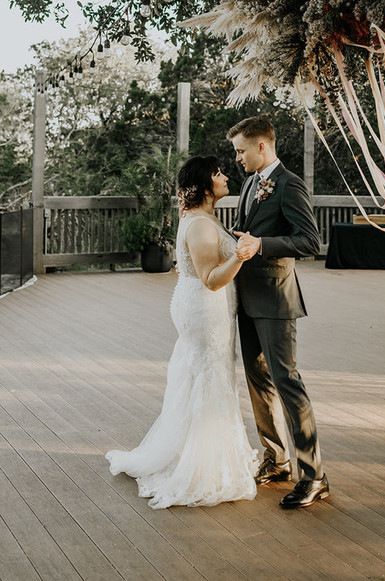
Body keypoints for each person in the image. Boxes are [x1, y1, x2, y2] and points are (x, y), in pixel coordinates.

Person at [106, 155, 257, 509]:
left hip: (198, 306)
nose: (224, 177)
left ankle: (204, 452)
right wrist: (241, 255)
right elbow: (211, 279)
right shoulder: (202, 226)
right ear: (205, 184)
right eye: (217, 173)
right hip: (205, 308)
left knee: (202, 374)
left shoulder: (202, 218)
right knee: (209, 375)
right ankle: (203, 466)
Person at [228, 115, 329, 509]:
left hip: (275, 298)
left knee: (287, 382)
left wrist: (262, 245)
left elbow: (309, 241)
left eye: (241, 151)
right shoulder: (250, 182)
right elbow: (245, 233)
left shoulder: (289, 184)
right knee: (258, 381)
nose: (238, 159)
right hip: (246, 297)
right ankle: (277, 458)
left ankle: (314, 475)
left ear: (261, 147)